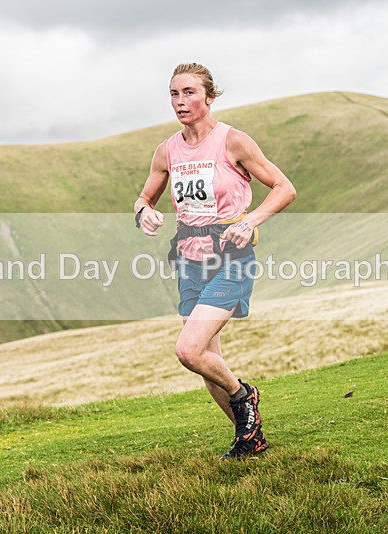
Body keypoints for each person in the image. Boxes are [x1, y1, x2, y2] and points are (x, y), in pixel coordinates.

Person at [134, 62, 296, 460]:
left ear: (209, 96)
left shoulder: (233, 142)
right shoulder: (167, 150)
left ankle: (245, 397)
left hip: (231, 258)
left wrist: (251, 219)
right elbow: (144, 199)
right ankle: (249, 439)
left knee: (189, 351)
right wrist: (144, 213)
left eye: (189, 92)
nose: (180, 101)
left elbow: (284, 188)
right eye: (174, 93)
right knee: (208, 361)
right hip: (189, 263)